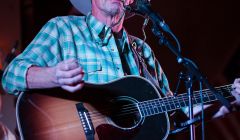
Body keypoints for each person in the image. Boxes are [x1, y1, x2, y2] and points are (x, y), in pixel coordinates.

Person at [1, 0, 240, 137]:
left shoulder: (142, 51)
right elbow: (10, 77)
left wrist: (222, 103)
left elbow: (172, 116)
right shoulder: (63, 29)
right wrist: (52, 75)